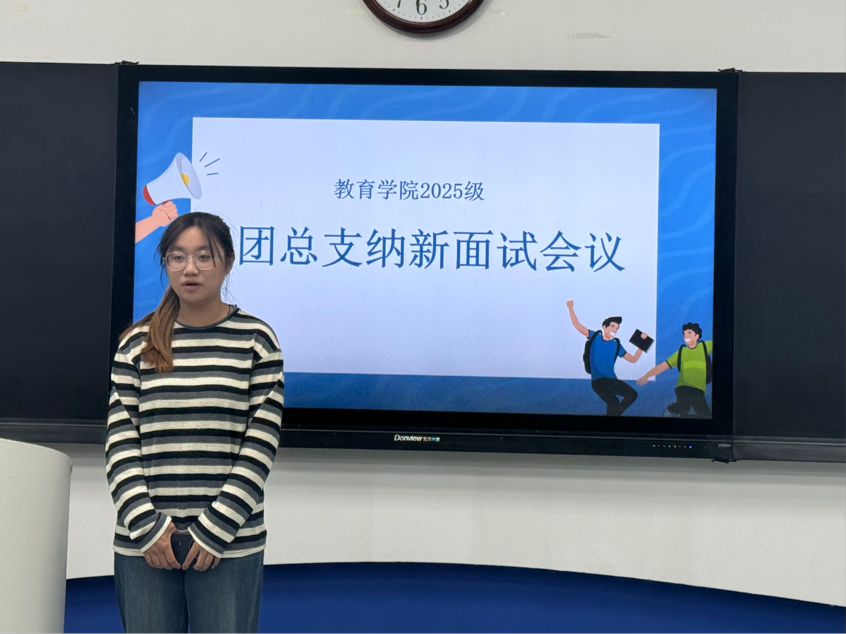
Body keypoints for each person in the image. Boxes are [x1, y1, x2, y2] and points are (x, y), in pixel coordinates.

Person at [106, 212, 284, 634]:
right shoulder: (137, 344)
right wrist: (147, 528)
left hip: (229, 544)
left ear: (228, 262)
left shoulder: (257, 341)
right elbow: (120, 444)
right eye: (177, 257)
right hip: (145, 545)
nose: (190, 268)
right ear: (165, 263)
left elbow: (260, 447)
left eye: (204, 256)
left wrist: (215, 529)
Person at [566, 300, 647, 416]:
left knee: (625, 398)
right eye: (612, 326)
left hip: (612, 380)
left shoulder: (616, 344)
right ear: (605, 327)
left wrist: (643, 343)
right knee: (615, 402)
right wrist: (570, 307)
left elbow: (633, 359)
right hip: (599, 381)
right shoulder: (595, 337)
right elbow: (577, 325)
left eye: (617, 328)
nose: (614, 330)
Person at [637, 322, 712, 418]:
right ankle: (671, 410)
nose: (686, 336)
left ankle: (680, 415)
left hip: (699, 389)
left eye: (689, 332)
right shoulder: (681, 352)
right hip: (684, 387)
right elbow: (662, 366)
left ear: (697, 336)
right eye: (684, 333)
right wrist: (646, 375)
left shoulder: (704, 346)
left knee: (706, 416)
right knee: (685, 405)